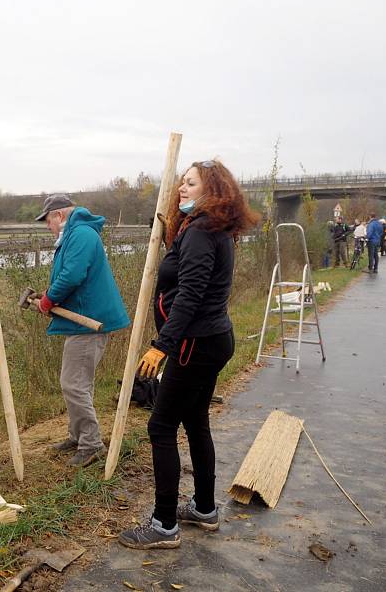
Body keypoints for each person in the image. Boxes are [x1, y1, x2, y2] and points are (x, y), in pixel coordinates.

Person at [118, 159, 258, 550]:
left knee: (161, 427)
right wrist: (171, 240)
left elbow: (190, 295)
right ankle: (205, 509)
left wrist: (162, 345)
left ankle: (163, 526)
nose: (182, 188)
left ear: (211, 190)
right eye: (181, 182)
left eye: (191, 183)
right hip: (215, 338)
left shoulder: (200, 231)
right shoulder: (215, 229)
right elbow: (189, 276)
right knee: (196, 420)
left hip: (193, 343)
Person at [33, 194, 130, 467]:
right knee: (76, 382)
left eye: (48, 221)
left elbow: (73, 274)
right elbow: (72, 276)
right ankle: (78, 436)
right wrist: (48, 297)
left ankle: (91, 444)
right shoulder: (77, 233)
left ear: (59, 216)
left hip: (89, 322)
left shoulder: (82, 234)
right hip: (81, 320)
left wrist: (49, 299)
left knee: (73, 384)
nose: (48, 227)